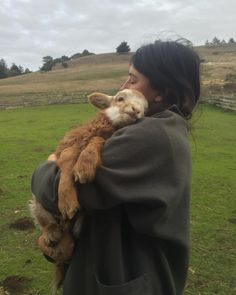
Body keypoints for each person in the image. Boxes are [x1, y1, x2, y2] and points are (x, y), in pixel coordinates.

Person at [31, 40, 200, 295]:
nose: (124, 86)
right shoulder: (159, 129)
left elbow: (62, 192)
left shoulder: (153, 133)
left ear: (160, 91)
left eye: (132, 79)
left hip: (125, 280)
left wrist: (49, 163)